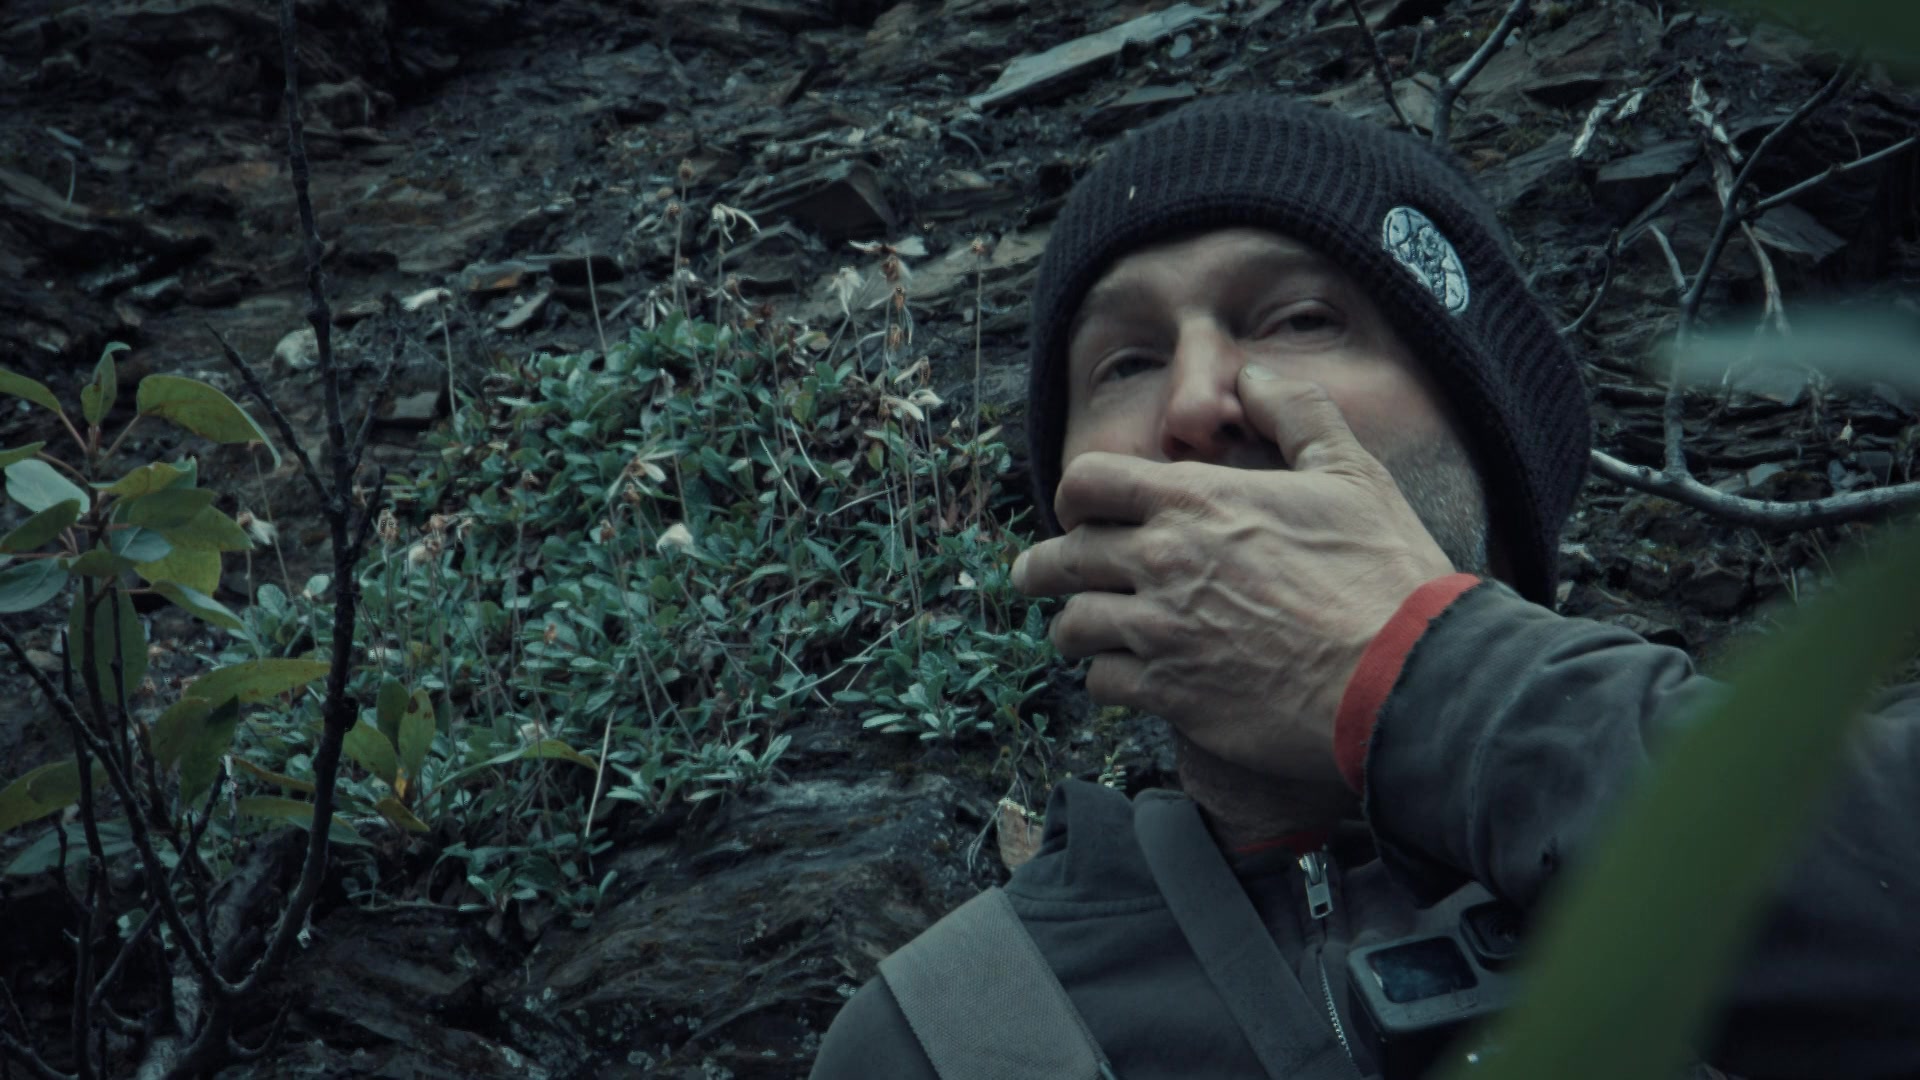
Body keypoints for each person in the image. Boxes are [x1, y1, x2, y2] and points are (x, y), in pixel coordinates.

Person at [807, 94, 1920, 1079]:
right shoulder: (936, 1039)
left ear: (1490, 451)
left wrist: (1413, 671)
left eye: (1300, 319)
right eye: (1126, 362)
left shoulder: (1862, 804)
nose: (1194, 401)